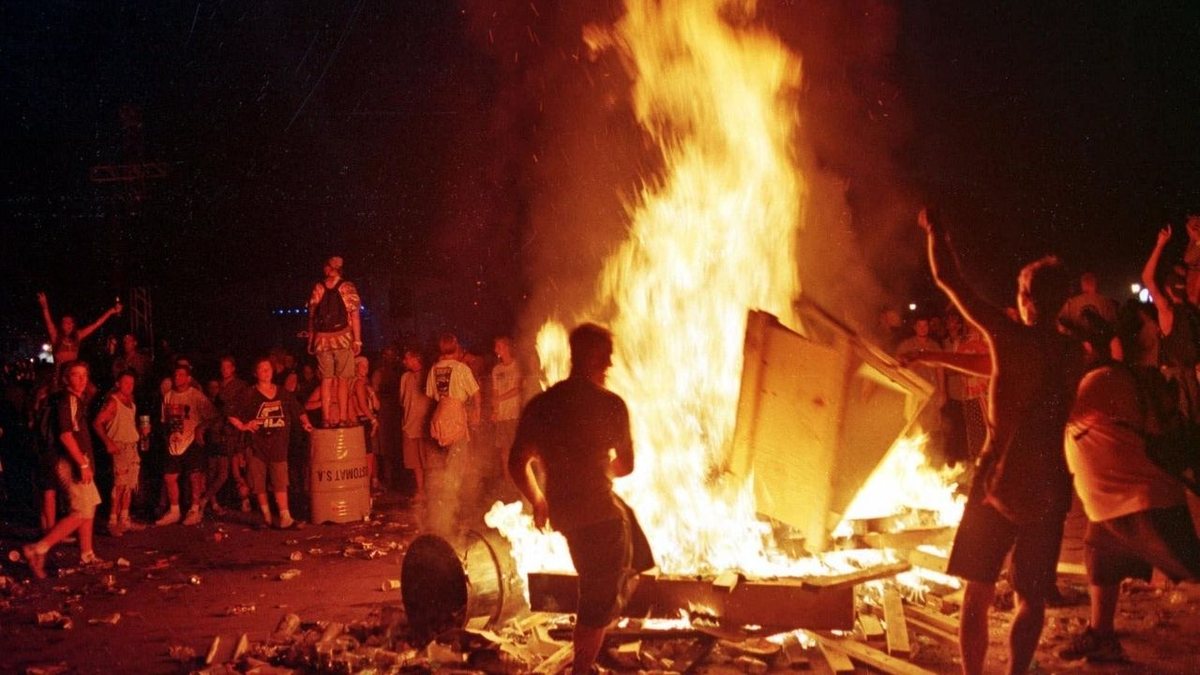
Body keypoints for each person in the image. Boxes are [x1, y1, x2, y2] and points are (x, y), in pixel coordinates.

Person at [917, 208, 1083, 675]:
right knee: (1032, 598)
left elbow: (949, 278)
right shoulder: (1073, 353)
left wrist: (936, 229)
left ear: (1026, 297)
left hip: (996, 482)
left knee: (977, 591)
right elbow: (1006, 374)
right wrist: (936, 355)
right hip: (1049, 487)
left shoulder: (1008, 337)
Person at [508, 323, 655, 674]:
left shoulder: (543, 406)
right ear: (590, 357)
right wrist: (603, 470)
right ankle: (583, 665)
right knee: (595, 601)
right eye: (605, 357)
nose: (610, 365)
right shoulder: (611, 405)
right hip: (600, 521)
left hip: (568, 515)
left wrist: (539, 501)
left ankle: (604, 621)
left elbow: (517, 463)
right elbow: (626, 466)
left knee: (634, 555)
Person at [1059, 310, 1200, 662]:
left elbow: (1050, 414)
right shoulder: (1098, 378)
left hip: (1142, 504)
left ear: (1086, 347)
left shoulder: (1100, 381)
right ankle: (1101, 634)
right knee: (1100, 560)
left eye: (1063, 346)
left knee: (1193, 569)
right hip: (1110, 505)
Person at [23, 361, 104, 578]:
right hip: (71, 462)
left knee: (90, 505)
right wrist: (83, 463)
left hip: (76, 461)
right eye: (76, 375)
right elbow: (66, 435)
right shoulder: (68, 400)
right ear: (66, 379)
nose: (81, 379)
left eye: (84, 375)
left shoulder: (73, 399)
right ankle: (38, 548)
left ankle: (87, 554)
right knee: (81, 511)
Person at [228, 357, 314, 529]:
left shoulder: (282, 392)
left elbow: (298, 409)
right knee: (259, 483)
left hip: (278, 444)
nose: (266, 372)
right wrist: (244, 426)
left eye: (268, 369)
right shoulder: (249, 393)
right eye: (262, 369)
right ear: (255, 373)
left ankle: (285, 517)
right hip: (256, 445)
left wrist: (306, 422)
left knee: (280, 481)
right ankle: (266, 518)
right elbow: (231, 413)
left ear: (273, 371)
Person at [1142, 225, 1200, 423]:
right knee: (1184, 424)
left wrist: (1196, 241)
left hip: (1190, 374)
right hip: (1177, 377)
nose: (1182, 281)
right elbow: (1148, 279)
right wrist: (1159, 245)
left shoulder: (1190, 308)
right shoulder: (1168, 309)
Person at [425, 333, 481, 535]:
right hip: (456, 415)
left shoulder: (435, 369)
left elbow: (431, 394)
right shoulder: (461, 368)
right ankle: (453, 510)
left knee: (446, 462)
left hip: (440, 415)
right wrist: (476, 413)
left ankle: (444, 509)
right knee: (458, 462)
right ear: (455, 346)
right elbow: (475, 392)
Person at [157, 363, 218, 526]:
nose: (178, 378)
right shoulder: (168, 396)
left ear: (188, 378)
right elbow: (165, 420)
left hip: (192, 439)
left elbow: (213, 416)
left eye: (181, 375)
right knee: (169, 477)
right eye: (175, 375)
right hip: (174, 441)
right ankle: (175, 510)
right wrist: (168, 436)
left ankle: (194, 509)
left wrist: (200, 428)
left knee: (194, 475)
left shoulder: (196, 396)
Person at [306, 256, 362, 427]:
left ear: (330, 268)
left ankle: (326, 418)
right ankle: (343, 418)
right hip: (343, 338)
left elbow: (312, 316)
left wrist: (311, 339)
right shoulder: (347, 287)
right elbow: (354, 315)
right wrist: (357, 340)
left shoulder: (318, 287)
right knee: (343, 379)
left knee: (326, 380)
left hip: (322, 340)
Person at [92, 370, 145, 536]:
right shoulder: (113, 402)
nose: (129, 386)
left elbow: (127, 425)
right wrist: (108, 442)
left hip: (132, 447)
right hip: (120, 447)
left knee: (129, 485)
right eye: (126, 383)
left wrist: (141, 432)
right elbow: (97, 423)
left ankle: (124, 519)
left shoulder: (131, 402)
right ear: (118, 384)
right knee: (120, 485)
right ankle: (112, 522)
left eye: (132, 383)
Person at [202, 357, 250, 514]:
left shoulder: (240, 386)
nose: (224, 370)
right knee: (216, 472)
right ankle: (212, 503)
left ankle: (244, 501)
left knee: (234, 472)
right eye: (222, 367)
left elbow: (240, 410)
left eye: (227, 367)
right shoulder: (217, 386)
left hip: (234, 434)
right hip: (218, 434)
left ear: (233, 368)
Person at [36, 292, 122, 374]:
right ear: (61, 325)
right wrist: (45, 306)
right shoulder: (56, 336)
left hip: (74, 373)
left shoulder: (77, 336)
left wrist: (111, 311)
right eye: (66, 322)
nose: (69, 325)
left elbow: (96, 324)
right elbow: (48, 321)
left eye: (71, 322)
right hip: (59, 376)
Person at [399, 347, 434, 502]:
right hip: (409, 423)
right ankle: (421, 491)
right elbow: (402, 400)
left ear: (415, 358)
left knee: (428, 460)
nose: (404, 361)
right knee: (415, 461)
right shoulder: (405, 377)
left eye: (407, 358)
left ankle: (432, 491)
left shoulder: (428, 374)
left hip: (425, 423)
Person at [490, 336, 522, 498]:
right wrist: (495, 410)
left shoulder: (517, 367)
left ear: (507, 347)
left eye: (499, 346)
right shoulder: (496, 370)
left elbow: (518, 389)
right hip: (502, 416)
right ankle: (508, 481)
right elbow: (495, 392)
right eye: (496, 347)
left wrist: (500, 399)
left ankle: (520, 481)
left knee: (517, 449)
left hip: (515, 415)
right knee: (504, 450)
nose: (496, 349)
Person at [371, 345, 403, 491]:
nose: (389, 358)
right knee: (383, 448)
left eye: (392, 355)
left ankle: (395, 480)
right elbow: (375, 392)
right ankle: (387, 479)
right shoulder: (379, 373)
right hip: (384, 414)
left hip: (395, 414)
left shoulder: (399, 372)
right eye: (387, 355)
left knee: (394, 448)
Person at [349, 355, 381, 490]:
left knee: (369, 453)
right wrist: (373, 420)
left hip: (362, 420)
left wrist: (372, 394)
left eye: (367, 366)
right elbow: (362, 405)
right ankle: (365, 486)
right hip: (363, 420)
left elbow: (377, 405)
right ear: (356, 367)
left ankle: (367, 484)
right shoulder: (358, 383)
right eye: (363, 366)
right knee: (368, 455)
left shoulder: (361, 382)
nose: (366, 369)